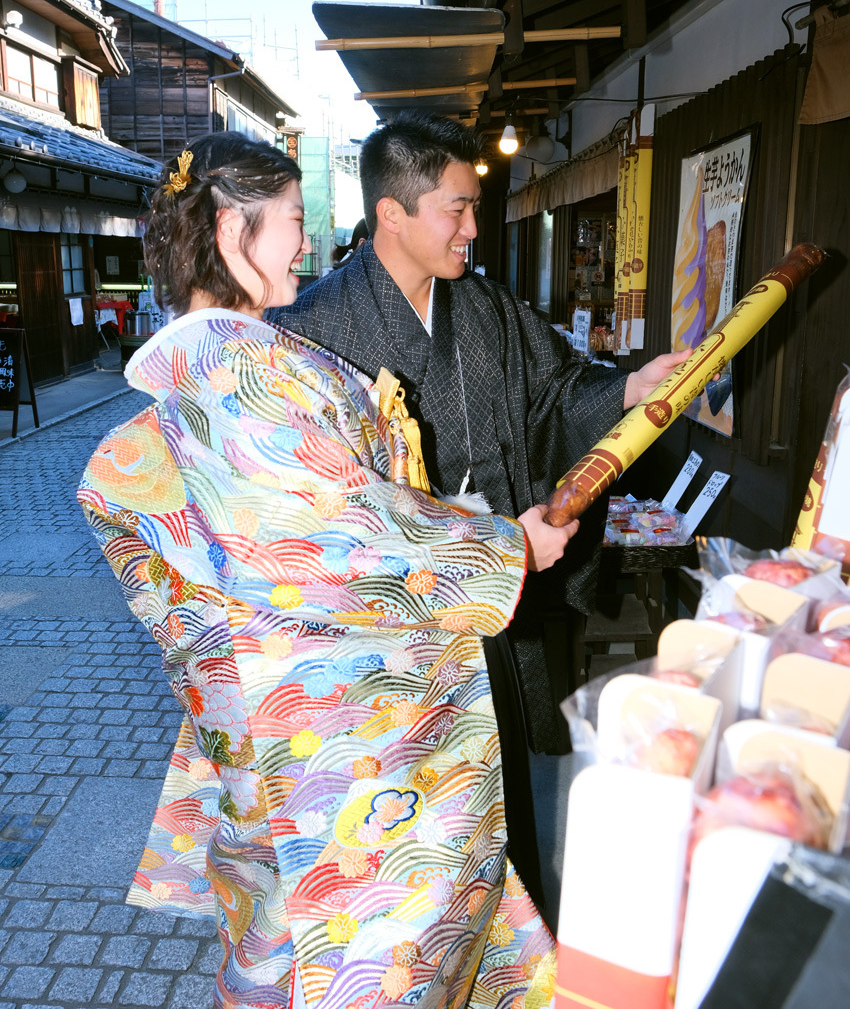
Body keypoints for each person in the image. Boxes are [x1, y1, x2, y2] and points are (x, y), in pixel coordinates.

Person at [78, 132, 563, 1009]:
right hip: (330, 738)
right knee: (353, 960)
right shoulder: (236, 376)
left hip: (269, 715)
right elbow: (336, 535)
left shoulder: (213, 368)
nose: (304, 243)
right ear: (233, 235)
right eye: (292, 224)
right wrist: (506, 546)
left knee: (285, 946)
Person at [266, 111, 689, 904]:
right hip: (398, 632)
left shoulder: (486, 307)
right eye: (455, 208)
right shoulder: (308, 331)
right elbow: (316, 516)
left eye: (474, 205)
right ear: (392, 213)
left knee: (503, 804)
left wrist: (632, 387)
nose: (472, 226)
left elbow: (559, 390)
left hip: (494, 597)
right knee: (412, 837)